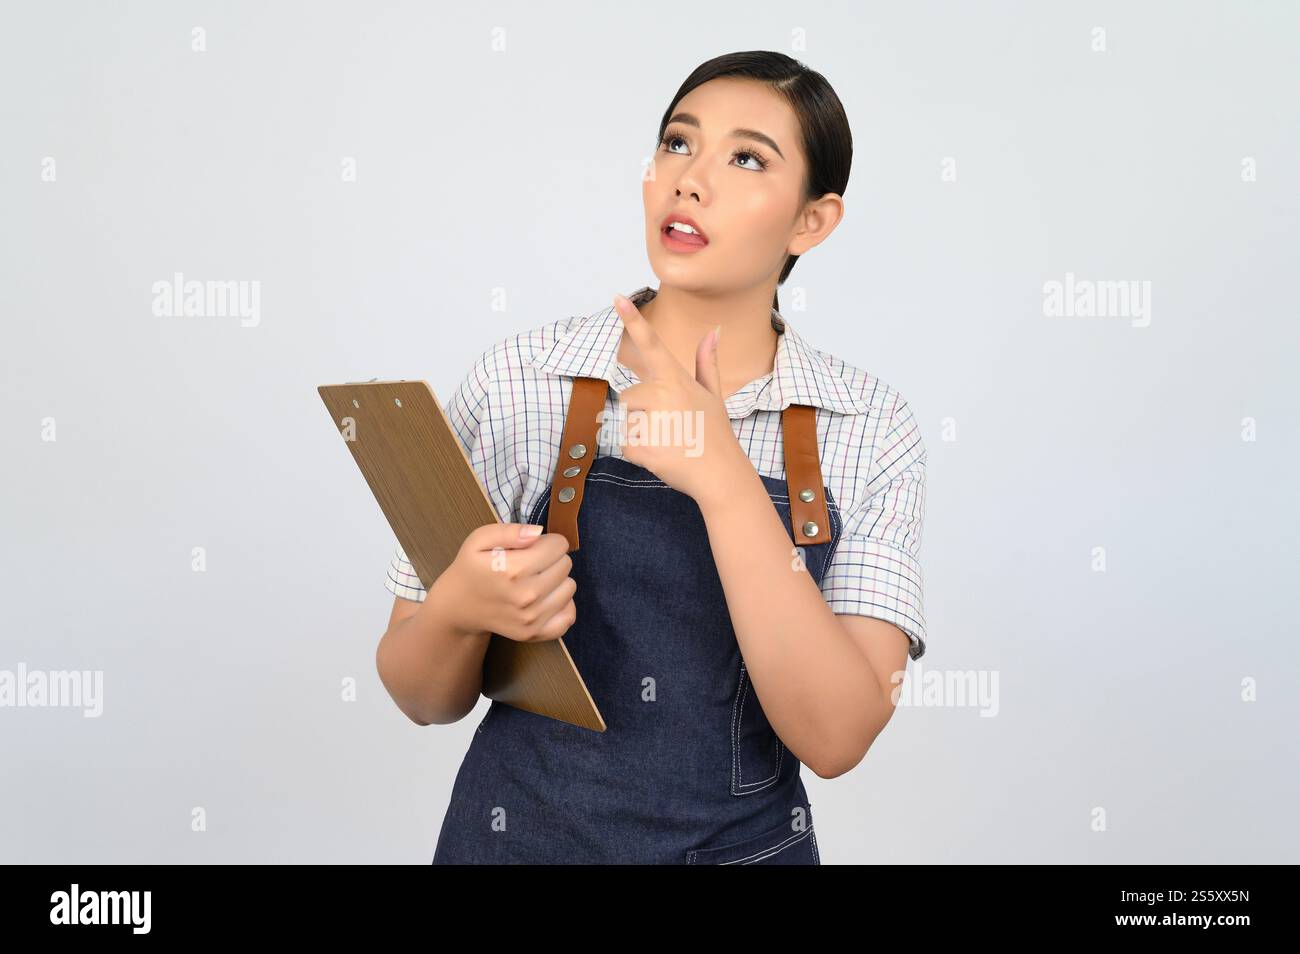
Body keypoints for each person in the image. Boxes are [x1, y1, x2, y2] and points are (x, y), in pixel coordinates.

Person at [376, 50, 927, 864]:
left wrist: (722, 477)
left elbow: (838, 735)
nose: (690, 180)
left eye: (747, 158)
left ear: (812, 221)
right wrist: (458, 606)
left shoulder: (871, 425)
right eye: (678, 143)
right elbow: (419, 695)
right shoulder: (523, 380)